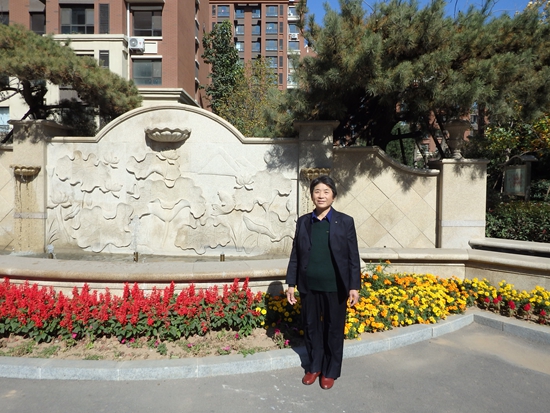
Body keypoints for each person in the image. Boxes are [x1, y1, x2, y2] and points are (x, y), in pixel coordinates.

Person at [286, 175, 361, 390]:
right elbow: (296, 255)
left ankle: (330, 370)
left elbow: (353, 256)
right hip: (309, 286)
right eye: (317, 191)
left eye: (326, 191)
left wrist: (354, 286)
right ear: (312, 195)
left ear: (333, 196)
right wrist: (291, 283)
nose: (321, 195)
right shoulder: (304, 222)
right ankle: (314, 367)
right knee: (311, 327)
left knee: (333, 329)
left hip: (335, 286)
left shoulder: (345, 221)